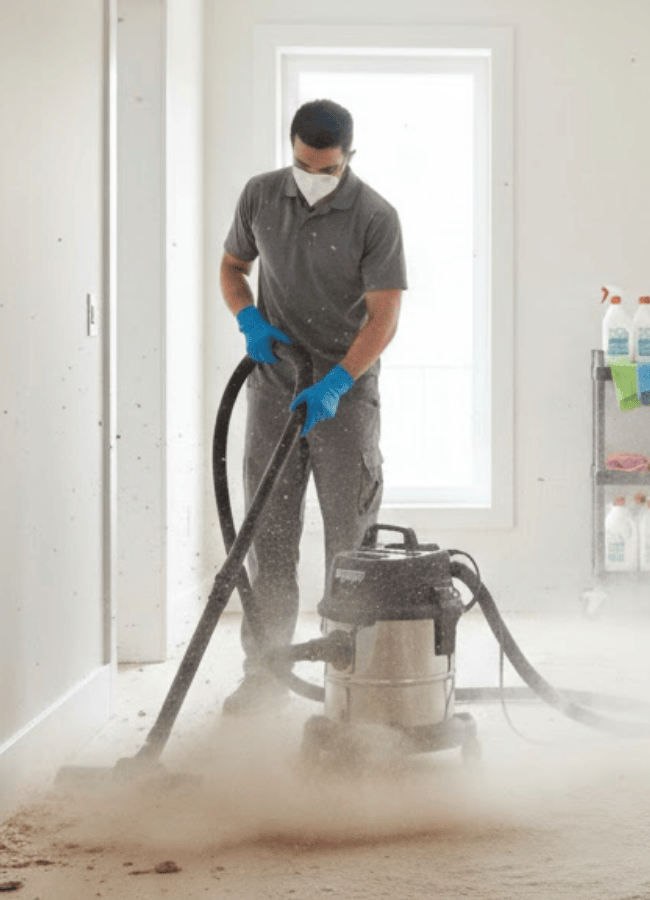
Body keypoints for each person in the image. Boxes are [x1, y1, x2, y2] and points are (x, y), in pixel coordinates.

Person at [219, 99, 407, 713]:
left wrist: (335, 385)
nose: (311, 176)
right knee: (269, 536)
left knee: (349, 544)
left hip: (344, 397)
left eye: (325, 169)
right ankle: (265, 672)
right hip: (274, 388)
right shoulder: (260, 195)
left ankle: (353, 676)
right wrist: (247, 316)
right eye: (302, 163)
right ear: (292, 147)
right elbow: (231, 266)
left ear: (348, 158)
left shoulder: (376, 216)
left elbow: (384, 318)